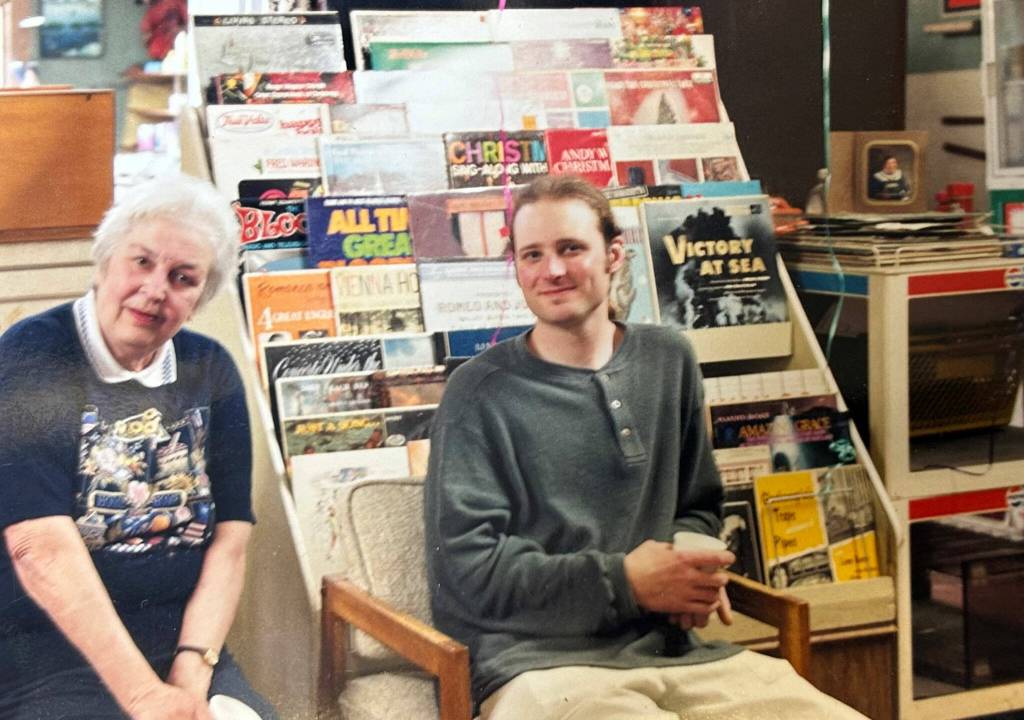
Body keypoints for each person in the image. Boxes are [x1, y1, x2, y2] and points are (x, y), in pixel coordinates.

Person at [424, 175, 867, 719]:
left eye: (571, 248)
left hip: (677, 652)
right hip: (540, 668)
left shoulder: (668, 358)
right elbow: (466, 573)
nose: (552, 270)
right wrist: (627, 582)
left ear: (614, 255)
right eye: (531, 254)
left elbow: (698, 504)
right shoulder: (478, 392)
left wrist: (691, 564)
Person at [0, 175, 277, 720]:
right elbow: (40, 548)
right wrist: (146, 698)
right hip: (48, 652)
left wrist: (192, 673)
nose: (155, 290)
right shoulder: (31, 355)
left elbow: (231, 542)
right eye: (142, 262)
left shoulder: (211, 367)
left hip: (180, 645)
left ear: (199, 298)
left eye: (182, 278)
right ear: (105, 263)